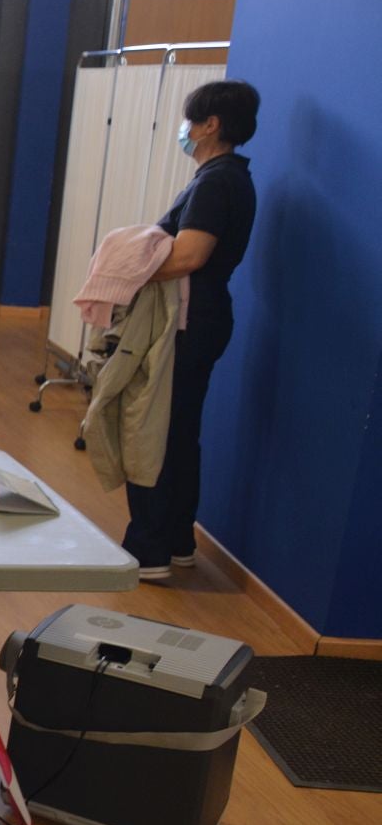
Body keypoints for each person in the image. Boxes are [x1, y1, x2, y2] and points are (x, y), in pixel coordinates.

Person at [124, 80, 260, 580]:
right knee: (180, 432)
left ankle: (149, 549)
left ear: (211, 126)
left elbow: (188, 255)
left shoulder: (215, 182)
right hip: (204, 319)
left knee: (153, 430)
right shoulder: (231, 178)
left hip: (188, 322)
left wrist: (126, 269)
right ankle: (178, 540)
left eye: (190, 121)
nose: (184, 130)